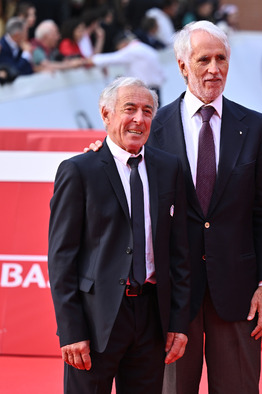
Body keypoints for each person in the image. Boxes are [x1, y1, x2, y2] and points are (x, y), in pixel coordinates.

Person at [86, 21, 262, 394]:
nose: (213, 69)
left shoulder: (257, 128)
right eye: (203, 59)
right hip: (172, 293)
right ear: (181, 66)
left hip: (239, 292)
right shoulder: (150, 127)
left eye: (221, 58)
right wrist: (98, 152)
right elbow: (115, 169)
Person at [48, 77, 191, 394]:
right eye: (130, 109)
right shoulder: (79, 171)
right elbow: (61, 260)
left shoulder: (169, 169)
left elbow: (179, 253)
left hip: (152, 318)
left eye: (147, 111)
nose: (139, 119)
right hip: (96, 319)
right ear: (106, 114)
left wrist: (178, 324)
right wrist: (71, 330)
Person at [89, 31, 165, 101]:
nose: (121, 51)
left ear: (123, 44)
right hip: (155, 89)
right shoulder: (147, 49)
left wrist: (92, 60)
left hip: (144, 91)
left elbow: (113, 58)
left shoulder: (132, 50)